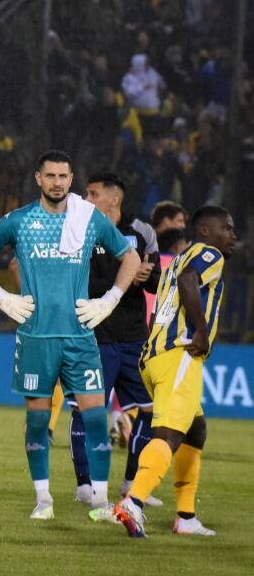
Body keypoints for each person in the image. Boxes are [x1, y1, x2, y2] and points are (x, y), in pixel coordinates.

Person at [0, 150, 139, 521]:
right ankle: (43, 500)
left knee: (95, 417)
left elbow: (132, 258)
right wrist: (0, 296)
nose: (57, 182)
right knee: (38, 422)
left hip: (80, 336)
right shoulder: (20, 220)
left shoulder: (88, 218)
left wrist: (110, 300)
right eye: (50, 176)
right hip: (36, 337)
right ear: (38, 178)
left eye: (63, 176)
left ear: (71, 179)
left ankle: (102, 502)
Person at [114, 206, 237, 538]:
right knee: (168, 434)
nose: (233, 235)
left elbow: (168, 301)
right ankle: (134, 502)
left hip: (155, 356)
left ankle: (185, 517)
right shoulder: (209, 255)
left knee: (195, 431)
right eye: (227, 228)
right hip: (180, 356)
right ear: (206, 231)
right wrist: (199, 331)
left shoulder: (178, 259)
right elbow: (188, 283)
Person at [69, 173, 162, 513]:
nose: (85, 197)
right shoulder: (79, 229)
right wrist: (122, 278)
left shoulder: (142, 231)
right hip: (96, 336)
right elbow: (79, 280)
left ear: (114, 199)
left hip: (134, 338)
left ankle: (132, 483)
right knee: (88, 409)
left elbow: (157, 281)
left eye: (92, 193)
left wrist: (145, 277)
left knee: (150, 411)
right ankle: (84, 483)